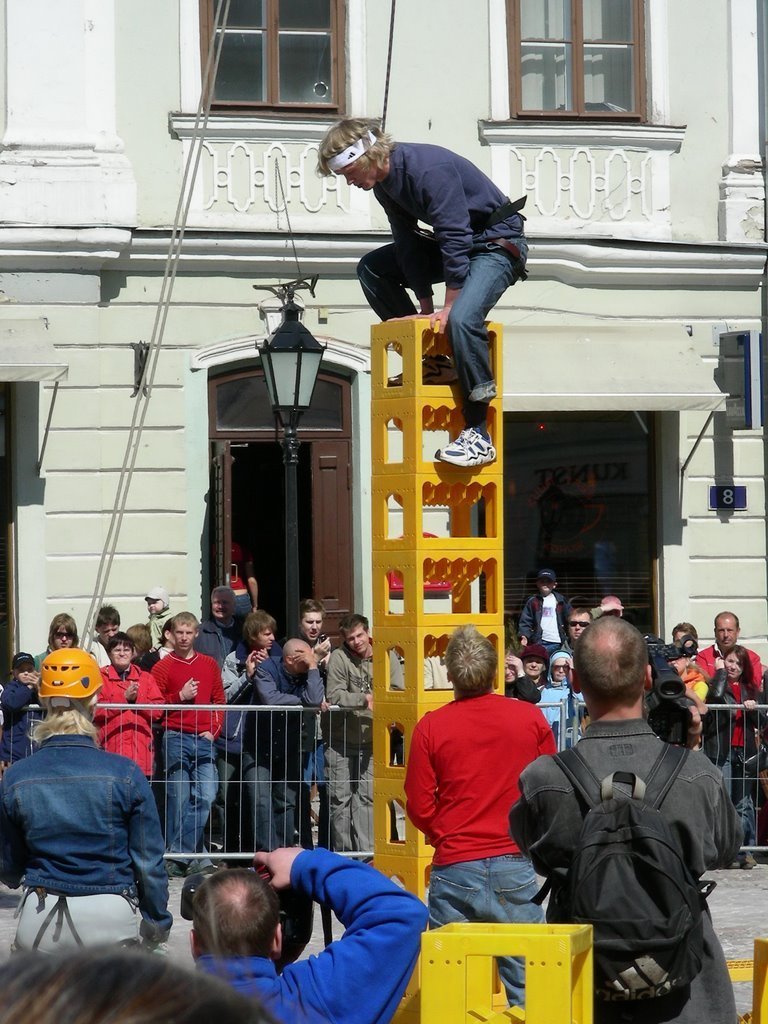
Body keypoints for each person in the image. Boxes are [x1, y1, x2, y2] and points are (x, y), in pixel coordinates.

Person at [510, 616, 742, 1024]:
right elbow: (725, 846)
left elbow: (530, 850)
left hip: (584, 988)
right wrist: (689, 751)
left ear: (577, 682)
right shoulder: (697, 772)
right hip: (687, 991)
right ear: (649, 679)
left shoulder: (543, 778)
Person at [318, 118, 527, 468]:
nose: (349, 182)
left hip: (496, 246)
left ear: (366, 156)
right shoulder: (385, 186)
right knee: (371, 268)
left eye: (348, 172)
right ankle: (434, 363)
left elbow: (455, 235)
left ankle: (478, 433)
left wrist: (448, 308)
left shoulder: (428, 169)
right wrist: (425, 308)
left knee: (461, 320)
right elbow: (408, 245)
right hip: (458, 245)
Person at [405, 624, 555, 1009]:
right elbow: (551, 788)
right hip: (513, 859)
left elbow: (419, 805)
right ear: (494, 672)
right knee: (531, 987)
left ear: (450, 674)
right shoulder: (529, 719)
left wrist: (445, 834)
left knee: (450, 992)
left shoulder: (430, 728)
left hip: (456, 863)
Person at [0, 648, 172, 952]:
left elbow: (10, 869)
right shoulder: (126, 774)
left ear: (43, 700)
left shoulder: (16, 777)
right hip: (110, 913)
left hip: (40, 916)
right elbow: (148, 864)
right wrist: (157, 923)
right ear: (94, 700)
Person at [191, 845, 428, 1024]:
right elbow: (400, 914)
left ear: (194, 944)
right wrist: (304, 865)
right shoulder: (315, 1001)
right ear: (277, 938)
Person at [0, 949, 276, 1024]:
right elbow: (147, 860)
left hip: (40, 909)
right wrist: (157, 921)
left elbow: (11, 863)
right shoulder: (305, 990)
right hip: (113, 905)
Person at [151, 612, 226, 877]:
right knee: (178, 798)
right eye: (179, 632)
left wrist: (214, 731)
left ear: (196, 634)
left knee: (206, 795)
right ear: (170, 634)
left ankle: (180, 855)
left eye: (188, 632)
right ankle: (191, 858)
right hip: (175, 736)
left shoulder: (208, 664)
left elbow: (219, 699)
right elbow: (155, 706)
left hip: (204, 737)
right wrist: (179, 696)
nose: (183, 637)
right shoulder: (162, 667)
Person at [251, 640, 325, 850]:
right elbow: (270, 699)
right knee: (261, 800)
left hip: (289, 744)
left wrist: (312, 667)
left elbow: (315, 698)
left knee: (286, 800)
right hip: (258, 745)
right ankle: (267, 852)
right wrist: (303, 701)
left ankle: (285, 850)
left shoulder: (307, 672)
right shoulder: (267, 669)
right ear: (291, 659)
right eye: (306, 656)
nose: (312, 659)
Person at [323, 613, 375, 853]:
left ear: (368, 632)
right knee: (340, 801)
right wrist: (363, 699)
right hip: (340, 740)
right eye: (351, 638)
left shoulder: (385, 655)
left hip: (372, 740)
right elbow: (335, 695)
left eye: (360, 635)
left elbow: (397, 688)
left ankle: (366, 855)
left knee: (366, 799)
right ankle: (343, 854)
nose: (357, 641)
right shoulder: (339, 659)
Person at [94, 632, 165, 777]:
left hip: (140, 751)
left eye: (126, 649)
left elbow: (158, 711)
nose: (122, 654)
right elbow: (94, 710)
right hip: (110, 748)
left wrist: (137, 700)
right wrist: (123, 698)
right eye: (117, 650)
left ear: (133, 653)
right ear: (109, 653)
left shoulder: (146, 678)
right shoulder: (99, 678)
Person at [0, 652, 43, 769]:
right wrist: (28, 688)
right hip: (12, 754)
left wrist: (38, 688)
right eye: (21, 670)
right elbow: (11, 703)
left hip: (37, 752)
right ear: (14, 672)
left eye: (29, 669)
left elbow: (49, 705)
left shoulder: (41, 689)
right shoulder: (10, 688)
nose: (26, 673)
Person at [697, 611, 763, 681]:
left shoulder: (752, 658)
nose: (726, 635)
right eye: (721, 630)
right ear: (715, 632)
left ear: (737, 632)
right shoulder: (703, 657)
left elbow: (753, 687)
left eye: (730, 630)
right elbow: (702, 685)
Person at [518, 569, 571, 652]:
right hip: (539, 641)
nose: (545, 584)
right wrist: (524, 635)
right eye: (542, 581)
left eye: (549, 581)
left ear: (554, 585)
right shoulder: (533, 601)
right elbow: (526, 620)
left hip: (557, 641)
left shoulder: (561, 601)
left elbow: (569, 617)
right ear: (537, 584)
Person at [196, 586, 242, 667]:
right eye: (217, 602)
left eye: (225, 602)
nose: (220, 606)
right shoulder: (200, 632)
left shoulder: (244, 632)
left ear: (234, 605)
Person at [230, 540, 259, 618]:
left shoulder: (215, 549)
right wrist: (255, 605)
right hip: (241, 595)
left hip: (222, 597)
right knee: (243, 628)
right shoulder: (243, 550)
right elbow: (251, 580)